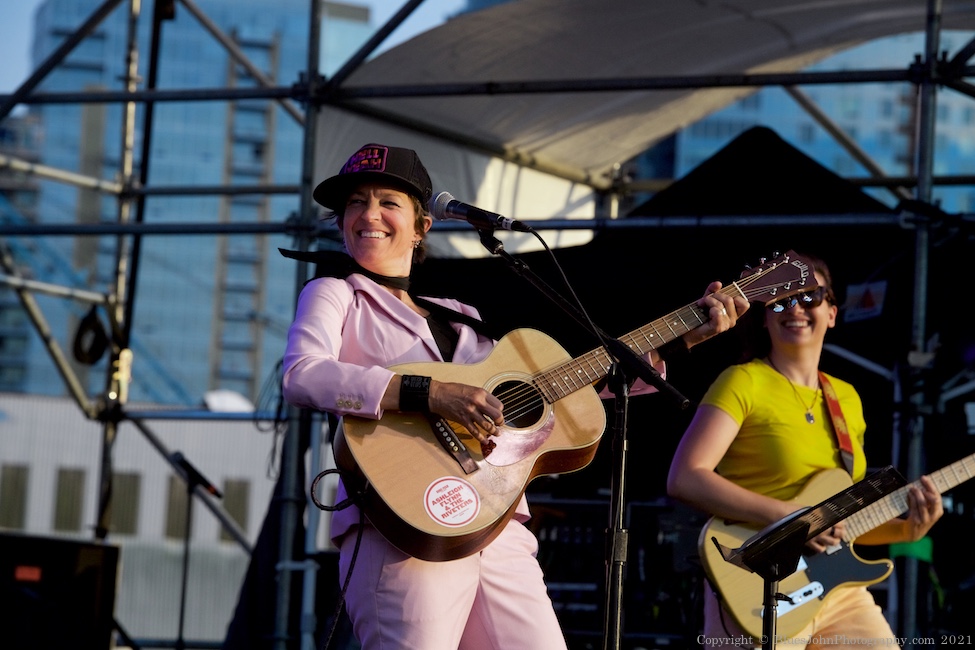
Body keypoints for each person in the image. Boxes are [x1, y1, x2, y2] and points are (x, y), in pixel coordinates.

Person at [282, 142, 749, 650]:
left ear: (422, 227)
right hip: (404, 525)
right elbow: (303, 376)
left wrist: (679, 342)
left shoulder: (460, 315)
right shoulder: (336, 293)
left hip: (494, 522)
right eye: (356, 202)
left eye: (387, 202)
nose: (369, 214)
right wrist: (430, 392)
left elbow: (551, 397)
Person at [666, 253, 944, 649]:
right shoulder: (742, 382)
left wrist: (907, 530)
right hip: (758, 578)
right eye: (781, 299)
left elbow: (838, 527)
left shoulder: (847, 398)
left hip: (836, 589)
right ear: (764, 317)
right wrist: (792, 518)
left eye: (810, 296)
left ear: (832, 313)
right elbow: (685, 477)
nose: (795, 308)